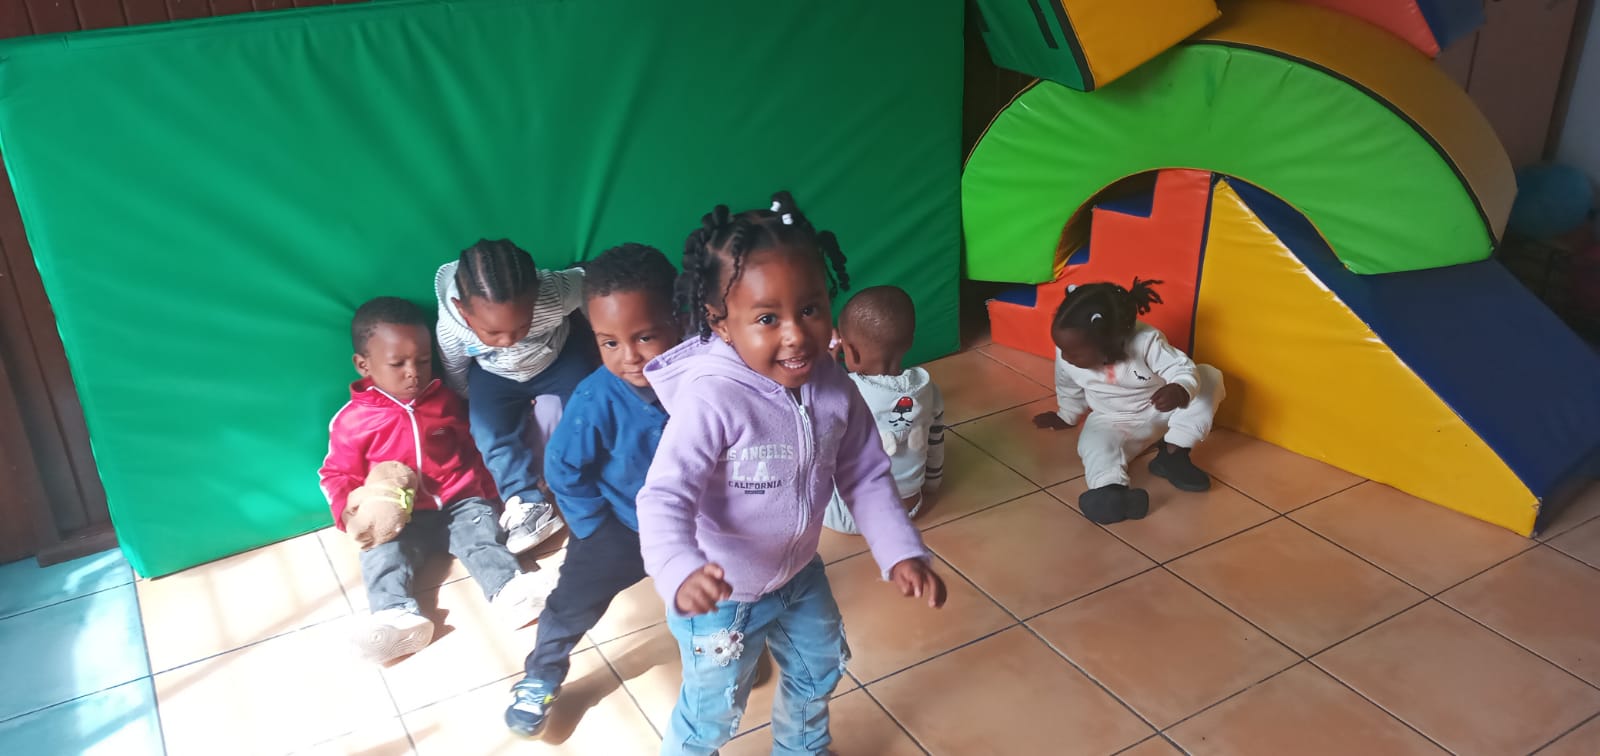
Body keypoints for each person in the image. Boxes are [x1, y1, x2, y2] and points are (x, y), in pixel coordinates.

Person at [639, 191, 947, 756]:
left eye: (810, 308)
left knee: (819, 670)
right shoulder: (711, 399)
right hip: (722, 597)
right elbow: (664, 497)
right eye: (767, 318)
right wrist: (680, 569)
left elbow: (865, 473)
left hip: (799, 576)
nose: (796, 334)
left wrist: (900, 549)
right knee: (712, 717)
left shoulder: (834, 385)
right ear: (720, 323)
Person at [503, 243, 681, 737]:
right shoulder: (594, 398)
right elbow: (563, 468)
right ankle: (541, 674)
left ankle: (725, 651)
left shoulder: (703, 381)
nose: (630, 357)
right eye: (609, 342)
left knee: (721, 597)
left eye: (645, 336)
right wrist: (592, 527)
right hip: (619, 528)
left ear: (680, 318)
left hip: (694, 525)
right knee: (570, 605)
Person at [320, 297, 554, 663]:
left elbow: (475, 447)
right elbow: (335, 474)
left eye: (423, 361)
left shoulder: (444, 400)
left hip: (459, 501)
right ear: (363, 365)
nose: (413, 372)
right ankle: (393, 616)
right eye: (398, 364)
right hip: (399, 516)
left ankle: (510, 591)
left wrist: (494, 494)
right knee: (381, 555)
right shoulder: (352, 421)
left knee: (483, 537)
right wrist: (351, 514)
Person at [435, 239, 598, 553]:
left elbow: (589, 283)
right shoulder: (451, 328)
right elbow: (455, 368)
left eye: (522, 325)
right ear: (463, 311)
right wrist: (475, 401)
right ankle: (527, 503)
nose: (509, 340)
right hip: (494, 374)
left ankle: (592, 480)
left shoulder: (555, 294)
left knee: (587, 408)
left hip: (557, 358)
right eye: (493, 333)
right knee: (488, 431)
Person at [1031, 279, 1225, 524]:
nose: (1065, 356)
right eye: (1061, 348)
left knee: (1209, 377)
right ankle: (1111, 491)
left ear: (1111, 342)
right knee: (1094, 444)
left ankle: (1174, 453)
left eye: (1074, 353)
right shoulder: (1066, 353)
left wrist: (1180, 389)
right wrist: (1066, 415)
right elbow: (1067, 385)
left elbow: (1181, 367)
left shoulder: (1146, 341)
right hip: (1114, 420)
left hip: (1164, 410)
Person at [823, 285, 945, 534]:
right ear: (910, 341)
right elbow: (936, 441)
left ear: (851, 352)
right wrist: (932, 483)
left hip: (851, 516)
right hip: (910, 507)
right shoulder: (928, 389)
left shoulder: (845, 392)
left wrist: (826, 365)